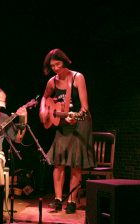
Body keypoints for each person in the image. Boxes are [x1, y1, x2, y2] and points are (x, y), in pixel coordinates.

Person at [39, 48, 96, 214]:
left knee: (75, 164)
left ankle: (71, 201)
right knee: (59, 162)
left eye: (58, 64)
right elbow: (44, 97)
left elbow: (85, 108)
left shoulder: (78, 77)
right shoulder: (52, 82)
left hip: (79, 122)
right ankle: (57, 199)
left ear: (65, 62)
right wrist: (43, 110)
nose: (55, 68)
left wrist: (75, 116)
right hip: (63, 123)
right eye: (52, 66)